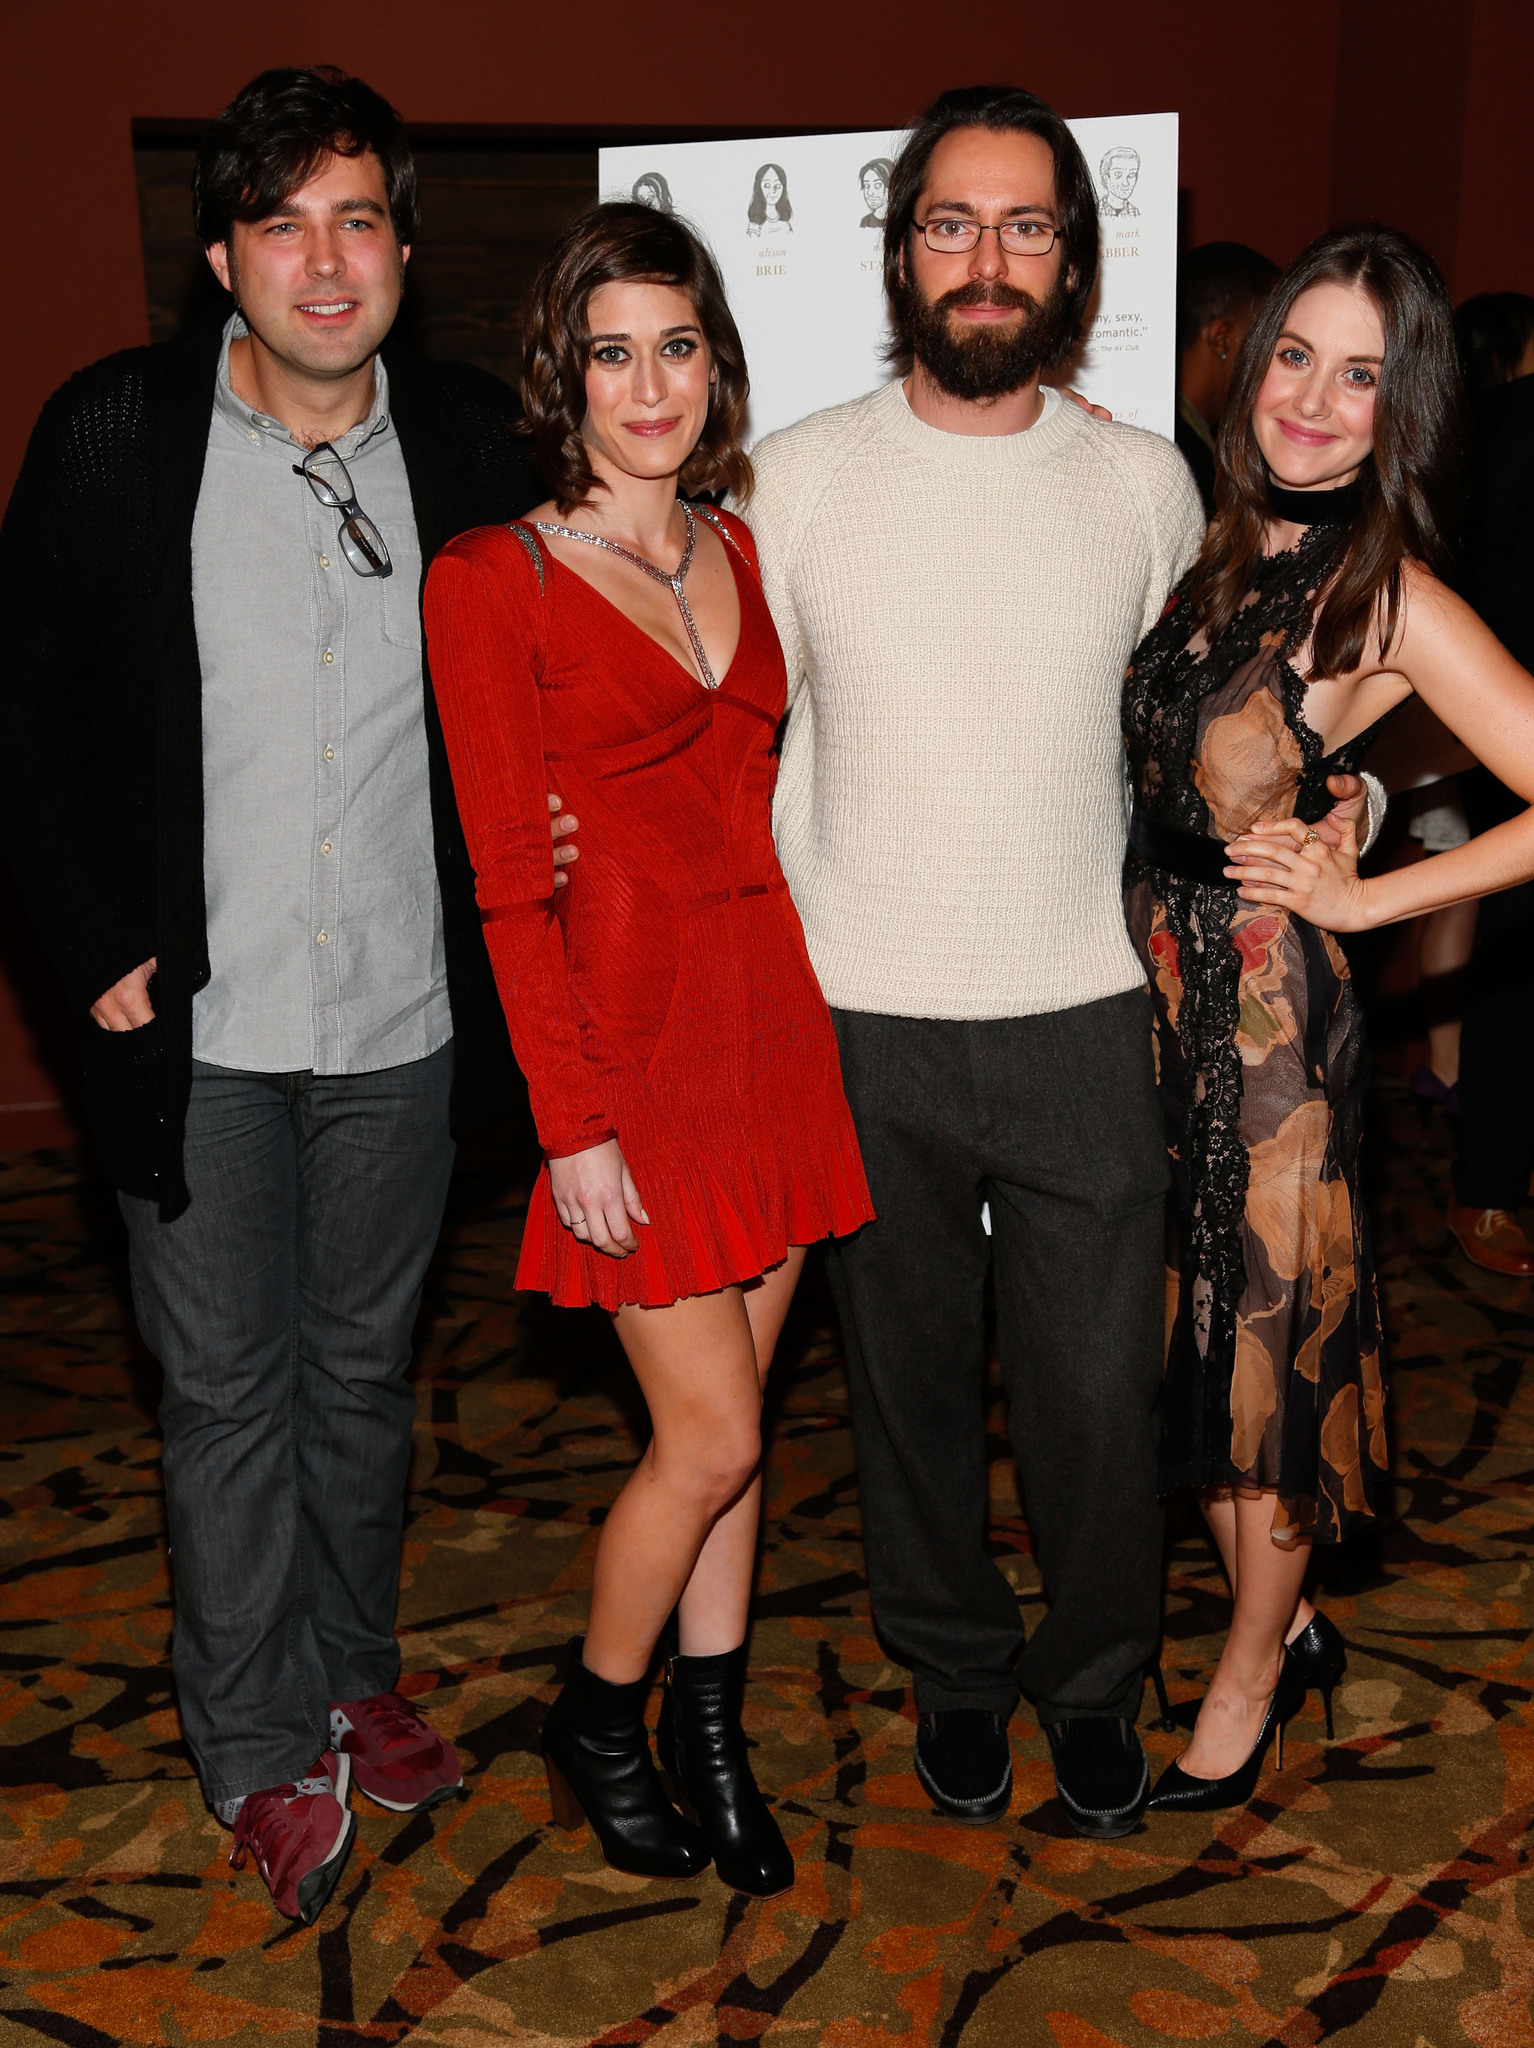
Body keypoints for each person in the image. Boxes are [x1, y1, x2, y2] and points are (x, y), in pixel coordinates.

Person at [0, 68, 545, 1924]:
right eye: (284, 222)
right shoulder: (112, 436)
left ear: (404, 246)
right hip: (197, 1032)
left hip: (404, 1016)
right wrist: (94, 954)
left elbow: (614, 591)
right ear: (223, 252)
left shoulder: (472, 440)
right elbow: (28, 719)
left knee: (361, 1377)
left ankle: (347, 1665)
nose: (326, 260)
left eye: (360, 219)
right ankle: (250, 1739)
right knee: (227, 1391)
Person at [737, 84, 1214, 1843]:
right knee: (902, 1382)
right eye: (952, 222)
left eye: (1024, 226)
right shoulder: (790, 479)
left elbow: (1197, 738)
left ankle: (1091, 1676)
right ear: (899, 248)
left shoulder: (1140, 485)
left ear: (1072, 260)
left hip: (1086, 1008)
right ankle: (950, 1657)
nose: (986, 258)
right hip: (855, 1012)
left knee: (1098, 1393)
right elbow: (723, 733)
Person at [423, 203, 873, 1898]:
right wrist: (571, 1122)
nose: (647, 382)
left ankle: (708, 1728)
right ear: (566, 371)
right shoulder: (494, 578)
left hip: (766, 1023)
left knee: (741, 1422)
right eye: (610, 349)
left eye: (675, 345)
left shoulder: (742, 554)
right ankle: (597, 1717)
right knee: (707, 1439)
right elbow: (499, 885)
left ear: (712, 364)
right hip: (625, 1054)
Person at [1124, 225, 1534, 1810]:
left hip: (1267, 1038)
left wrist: (1364, 894)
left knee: (1266, 1369)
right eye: (1294, 352)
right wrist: (1356, 785)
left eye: (1357, 375)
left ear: (1400, 407)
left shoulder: (1386, 585)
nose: (1308, 396)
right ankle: (1276, 1625)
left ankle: (1247, 1678)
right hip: (1155, 1008)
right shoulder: (1224, 542)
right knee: (1195, 1346)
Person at [1448, 291, 1534, 1272]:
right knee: (1514, 964)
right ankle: (1487, 1188)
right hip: (1500, 719)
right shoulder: (1512, 422)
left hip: (1486, 717)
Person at [1176, 242, 1281, 516]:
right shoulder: (1183, 459)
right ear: (1221, 339)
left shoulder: (1209, 442)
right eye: (1269, 337)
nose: (1281, 360)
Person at [748, 163, 793, 235]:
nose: (773, 191)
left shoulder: (784, 216)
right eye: (767, 186)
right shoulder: (756, 220)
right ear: (759, 188)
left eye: (777, 186)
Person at [859, 158, 893, 228]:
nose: (870, 193)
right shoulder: (865, 222)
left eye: (877, 185)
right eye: (866, 186)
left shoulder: (899, 222)